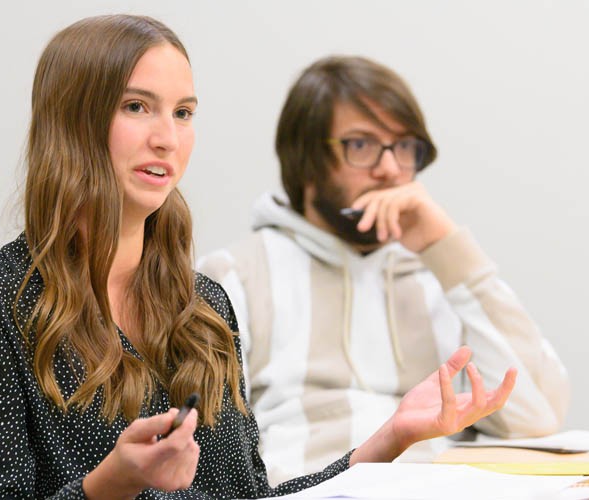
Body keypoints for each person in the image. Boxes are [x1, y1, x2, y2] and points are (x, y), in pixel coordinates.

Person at [0, 16, 517, 498]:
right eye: (136, 106)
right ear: (71, 123)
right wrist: (113, 484)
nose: (167, 137)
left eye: (183, 112)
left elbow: (251, 497)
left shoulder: (201, 306)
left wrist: (391, 437)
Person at [196, 55, 570, 483]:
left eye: (405, 147)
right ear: (306, 161)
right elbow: (212, 461)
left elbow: (537, 418)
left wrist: (448, 250)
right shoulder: (233, 276)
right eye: (361, 145)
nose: (391, 169)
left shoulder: (439, 277)